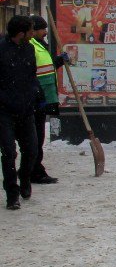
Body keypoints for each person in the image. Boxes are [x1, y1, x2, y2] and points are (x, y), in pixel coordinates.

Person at [0, 16, 41, 210]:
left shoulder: (29, 49)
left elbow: (32, 75)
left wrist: (35, 93)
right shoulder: (1, 50)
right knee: (9, 153)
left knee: (32, 150)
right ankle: (12, 194)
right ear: (21, 33)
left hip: (26, 110)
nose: (33, 35)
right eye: (31, 32)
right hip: (4, 111)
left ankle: (24, 177)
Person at [29, 16, 68, 185]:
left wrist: (59, 60)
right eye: (42, 29)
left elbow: (47, 67)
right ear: (34, 31)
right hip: (36, 99)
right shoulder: (32, 47)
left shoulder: (40, 46)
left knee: (37, 136)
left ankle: (32, 168)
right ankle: (34, 170)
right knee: (34, 137)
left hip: (43, 97)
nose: (45, 32)